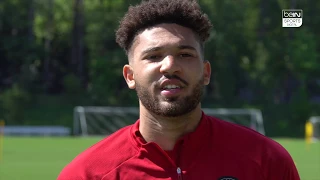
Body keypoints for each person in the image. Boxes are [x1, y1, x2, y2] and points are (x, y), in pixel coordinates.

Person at [58, 0, 300, 179]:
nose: (170, 66)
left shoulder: (267, 161)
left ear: (206, 72)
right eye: (153, 56)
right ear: (130, 76)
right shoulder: (86, 173)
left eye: (184, 54)